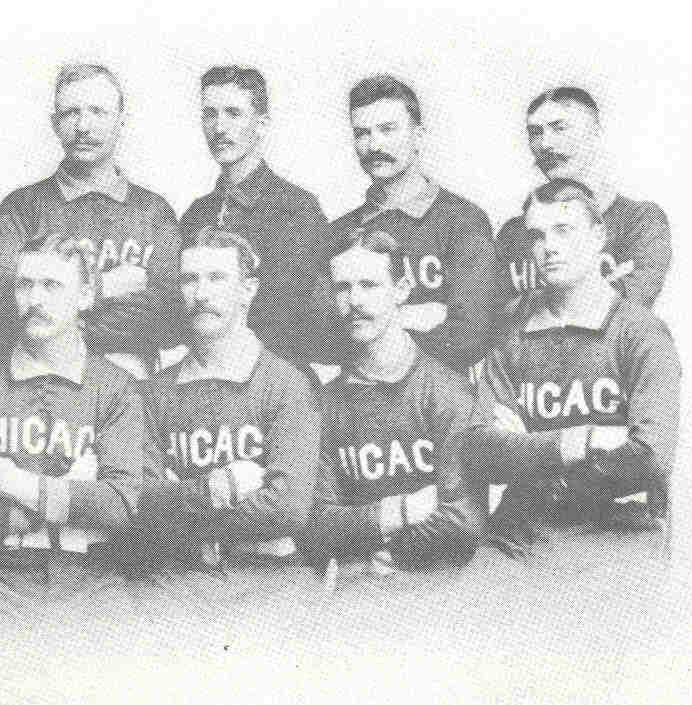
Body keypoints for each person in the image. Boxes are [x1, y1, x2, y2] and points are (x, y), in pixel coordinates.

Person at [0, 234, 151, 626]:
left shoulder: (116, 387)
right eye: (25, 285)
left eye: (52, 286)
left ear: (85, 296)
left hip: (91, 576)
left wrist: (15, 484)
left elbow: (122, 507)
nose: (35, 299)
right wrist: (71, 495)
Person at [470, 179, 680, 553]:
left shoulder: (640, 332)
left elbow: (649, 459)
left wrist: (530, 451)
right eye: (537, 235)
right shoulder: (512, 329)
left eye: (563, 230)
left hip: (617, 535)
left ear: (599, 236)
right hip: (520, 537)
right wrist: (586, 440)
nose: (549, 247)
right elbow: (483, 449)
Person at [134, 228, 322, 617]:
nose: (201, 293)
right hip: (176, 581)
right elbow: (141, 505)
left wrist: (179, 503)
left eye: (216, 278)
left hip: (269, 579)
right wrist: (222, 488)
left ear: (248, 289)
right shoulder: (154, 392)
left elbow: (288, 508)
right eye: (190, 279)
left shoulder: (286, 383)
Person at [0, 63, 182, 380]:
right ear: (54, 124)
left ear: (120, 121)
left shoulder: (154, 212)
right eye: (70, 113)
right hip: (43, 386)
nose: (83, 126)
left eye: (98, 112)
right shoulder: (22, 208)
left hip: (136, 387)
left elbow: (173, 316)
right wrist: (103, 288)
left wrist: (55, 314)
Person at [306, 230, 486, 572]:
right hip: (361, 585)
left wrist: (384, 552)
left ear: (401, 289)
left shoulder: (448, 392)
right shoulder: (325, 404)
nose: (355, 300)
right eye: (343, 287)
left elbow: (464, 522)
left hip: (443, 580)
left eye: (369, 285)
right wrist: (403, 511)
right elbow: (317, 525)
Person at [319, 75, 500, 374]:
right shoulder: (339, 233)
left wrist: (368, 325)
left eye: (388, 130)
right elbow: (321, 338)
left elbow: (469, 337)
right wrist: (412, 316)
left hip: (440, 396)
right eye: (362, 133)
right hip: (359, 398)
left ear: (418, 136)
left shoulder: (462, 220)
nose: (374, 144)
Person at [179, 66, 327, 366]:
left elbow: (291, 317)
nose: (219, 128)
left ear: (261, 125)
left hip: (275, 376)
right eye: (210, 114)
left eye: (233, 113)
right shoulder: (197, 214)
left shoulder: (296, 210)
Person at [496, 87, 671, 308]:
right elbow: (490, 315)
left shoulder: (639, 221)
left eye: (560, 128)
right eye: (536, 132)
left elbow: (624, 311)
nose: (545, 144)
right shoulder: (514, 233)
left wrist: (531, 303)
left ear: (595, 133)